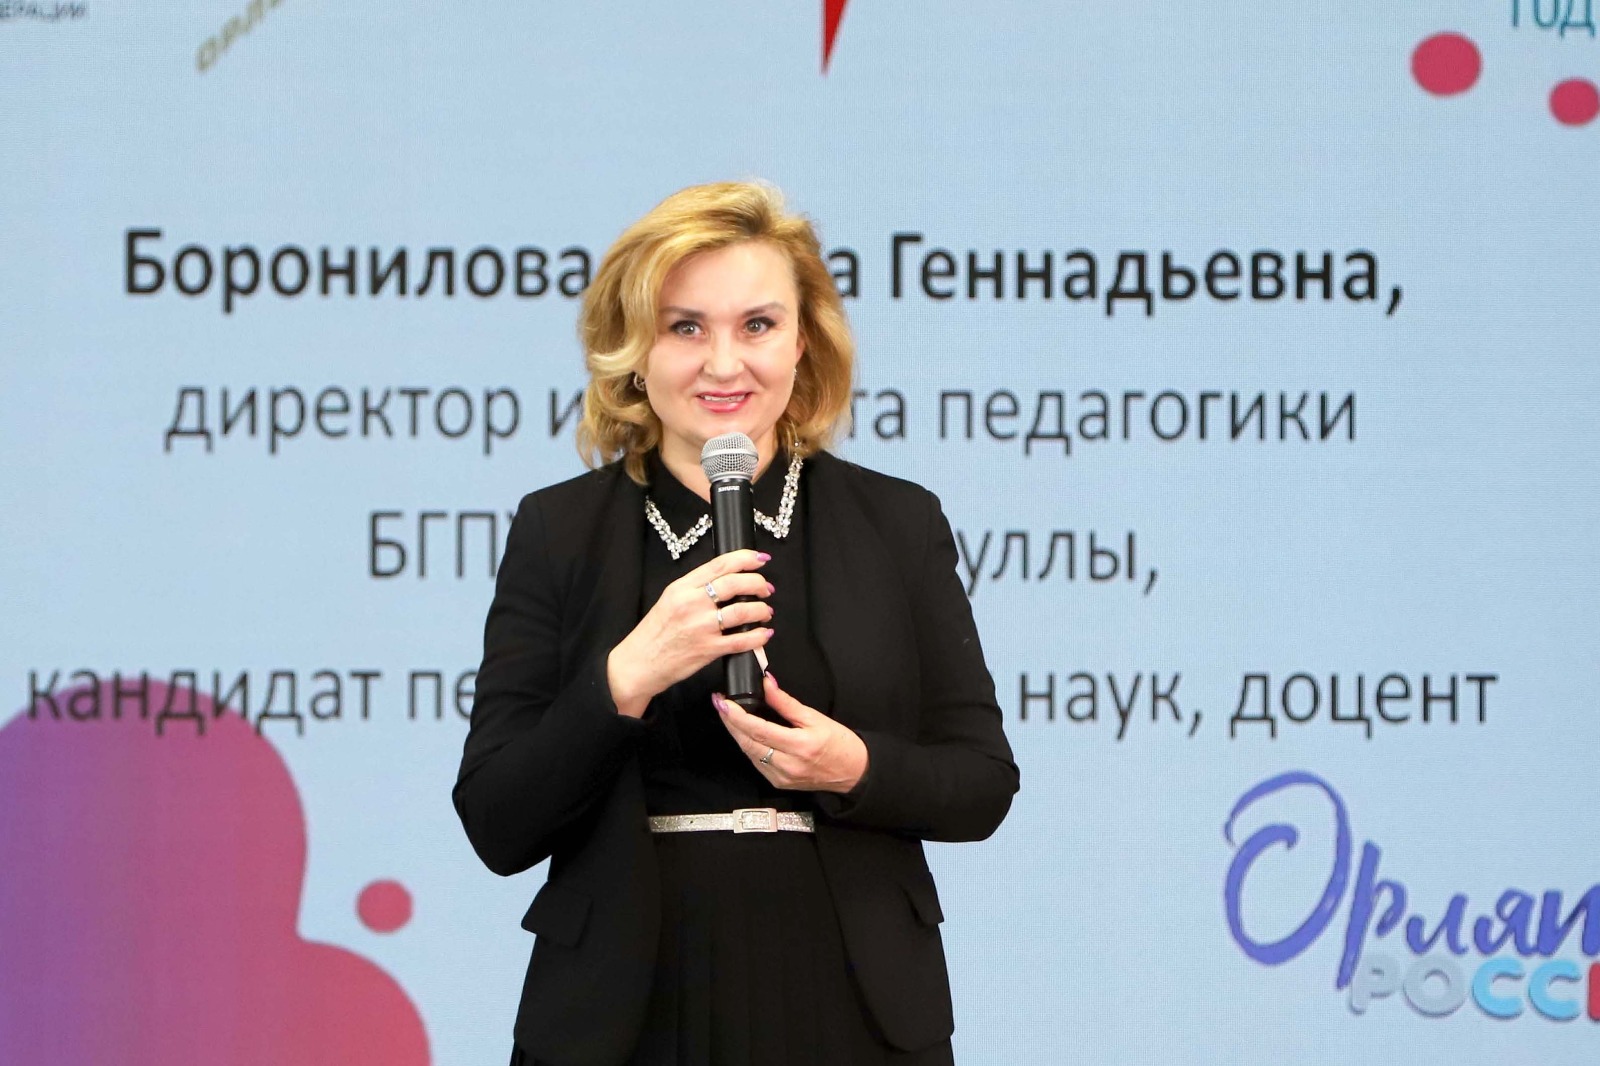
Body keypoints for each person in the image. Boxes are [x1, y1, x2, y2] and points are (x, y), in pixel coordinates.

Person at [453, 181, 1019, 1066]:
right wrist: (628, 675)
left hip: (852, 990)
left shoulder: (897, 521)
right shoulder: (557, 529)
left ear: (803, 342)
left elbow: (982, 781)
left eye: (757, 325)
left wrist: (854, 767)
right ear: (633, 349)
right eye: (685, 327)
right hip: (624, 1002)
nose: (724, 365)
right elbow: (496, 820)